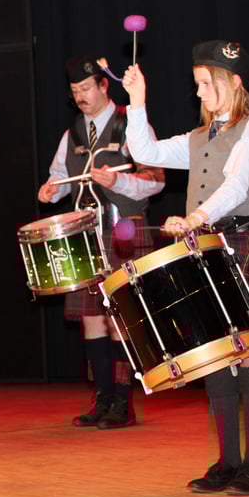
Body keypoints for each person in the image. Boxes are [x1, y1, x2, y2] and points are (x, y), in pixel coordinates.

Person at [122, 40, 249, 495]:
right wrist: (137, 101)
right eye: (196, 84)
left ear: (233, 81)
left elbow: (236, 185)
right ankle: (227, 462)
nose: (198, 93)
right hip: (204, 250)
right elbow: (146, 152)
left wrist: (195, 217)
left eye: (205, 84)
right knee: (214, 353)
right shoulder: (197, 138)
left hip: (237, 242)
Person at [37, 56, 164, 429]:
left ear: (104, 85)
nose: (80, 97)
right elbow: (60, 175)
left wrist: (119, 182)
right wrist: (51, 190)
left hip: (123, 229)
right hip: (85, 234)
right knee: (91, 319)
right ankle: (103, 398)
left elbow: (156, 180)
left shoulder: (130, 124)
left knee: (119, 319)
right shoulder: (73, 133)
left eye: (86, 89)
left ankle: (123, 402)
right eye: (74, 91)